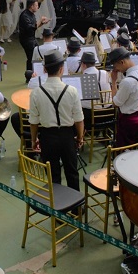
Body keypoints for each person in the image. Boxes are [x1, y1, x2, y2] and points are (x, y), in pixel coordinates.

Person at [28, 50, 84, 191]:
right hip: (67, 136)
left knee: (53, 175)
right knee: (72, 173)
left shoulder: (36, 92)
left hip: (47, 137)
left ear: (45, 69)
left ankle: (58, 207)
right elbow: (79, 119)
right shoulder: (72, 90)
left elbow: (33, 121)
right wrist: (80, 137)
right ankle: (75, 207)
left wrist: (34, 140)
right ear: (61, 69)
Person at [108, 47, 138, 147]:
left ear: (122, 62)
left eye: (116, 66)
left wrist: (114, 82)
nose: (117, 70)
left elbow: (116, 103)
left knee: (125, 150)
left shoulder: (127, 82)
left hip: (128, 121)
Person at [78, 51, 111, 130]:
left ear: (83, 64)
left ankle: (79, 136)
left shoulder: (81, 78)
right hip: (109, 113)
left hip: (91, 116)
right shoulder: (105, 73)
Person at [18, 0, 49, 72]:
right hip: (26, 39)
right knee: (31, 57)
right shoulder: (24, 15)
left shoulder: (32, 14)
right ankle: (29, 75)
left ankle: (35, 72)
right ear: (31, 6)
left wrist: (42, 23)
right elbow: (30, 27)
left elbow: (35, 27)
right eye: (36, 5)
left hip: (32, 38)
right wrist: (40, 21)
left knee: (37, 53)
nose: (37, 7)